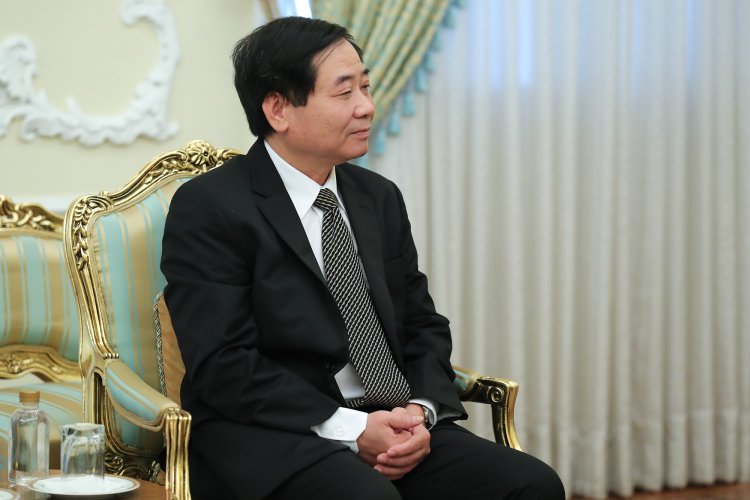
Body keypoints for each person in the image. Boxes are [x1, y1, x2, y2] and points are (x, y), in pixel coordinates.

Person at [161, 16, 565, 500]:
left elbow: (422, 323)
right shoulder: (211, 206)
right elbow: (222, 363)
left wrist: (419, 412)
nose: (366, 106)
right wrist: (351, 429)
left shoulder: (377, 196)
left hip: (391, 418)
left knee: (532, 485)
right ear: (279, 109)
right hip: (276, 433)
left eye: (366, 87)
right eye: (344, 91)